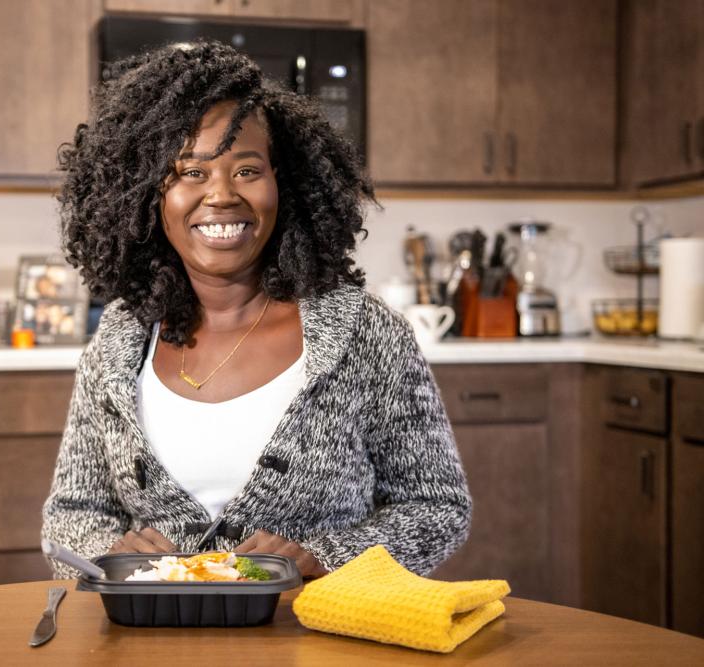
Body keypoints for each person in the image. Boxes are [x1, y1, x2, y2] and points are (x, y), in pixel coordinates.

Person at [42, 41, 470, 579]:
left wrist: (325, 558)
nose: (221, 195)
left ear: (283, 186)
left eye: (247, 171)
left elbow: (437, 508)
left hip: (318, 646)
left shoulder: (364, 332)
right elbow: (71, 516)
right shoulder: (119, 341)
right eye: (191, 172)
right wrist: (108, 559)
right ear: (147, 196)